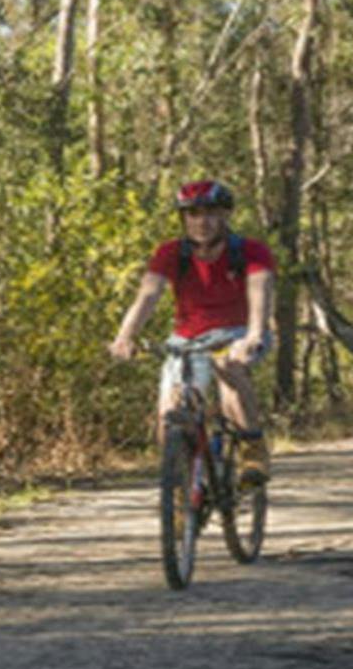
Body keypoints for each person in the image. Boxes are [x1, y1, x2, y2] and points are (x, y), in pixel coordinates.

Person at [108, 179, 277, 485]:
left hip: (239, 332)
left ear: (225, 216)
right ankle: (182, 490)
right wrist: (125, 336)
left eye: (211, 213)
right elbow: (147, 295)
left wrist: (253, 335)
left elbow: (260, 292)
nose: (202, 222)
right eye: (193, 214)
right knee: (169, 413)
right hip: (188, 339)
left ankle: (252, 447)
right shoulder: (171, 253)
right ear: (184, 218)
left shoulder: (251, 251)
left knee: (229, 367)